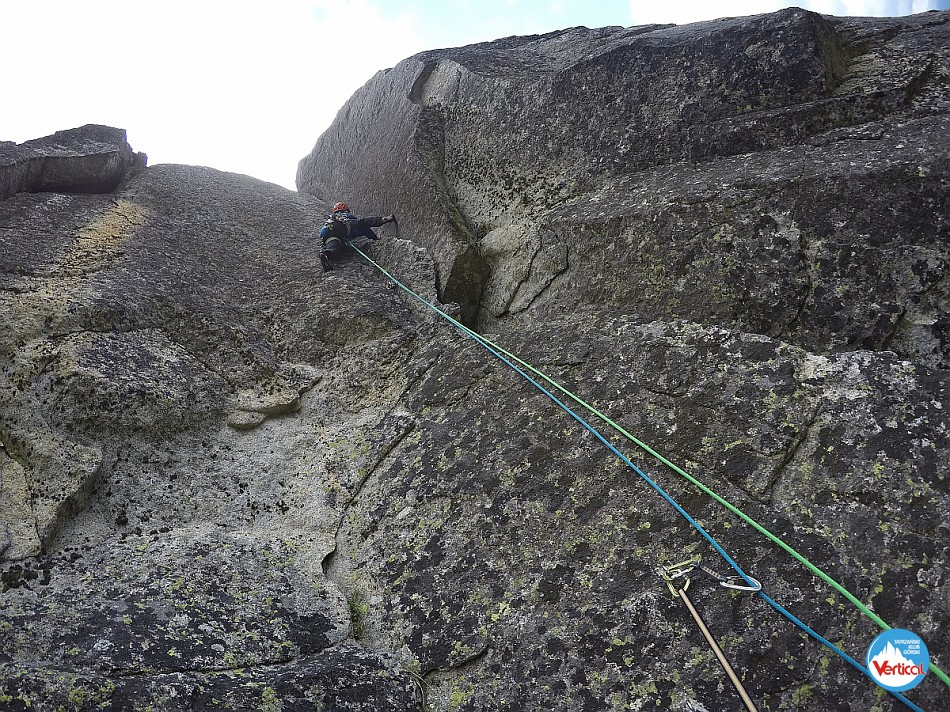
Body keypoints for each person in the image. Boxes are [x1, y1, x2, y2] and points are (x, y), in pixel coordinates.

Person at [319, 202, 396, 271]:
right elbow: (363, 227)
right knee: (362, 222)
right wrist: (374, 238)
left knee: (333, 247)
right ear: (345, 210)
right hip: (341, 225)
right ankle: (383, 219)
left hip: (328, 234)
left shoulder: (331, 218)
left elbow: (353, 233)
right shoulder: (345, 216)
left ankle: (326, 255)